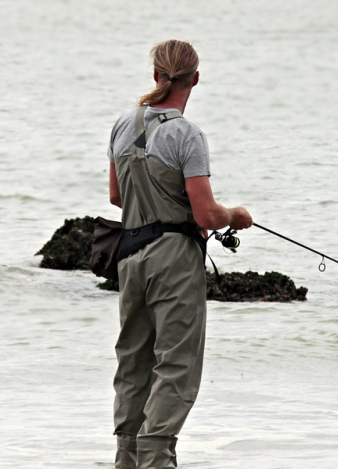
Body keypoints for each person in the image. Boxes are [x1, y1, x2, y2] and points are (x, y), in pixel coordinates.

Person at [107, 39, 253, 469]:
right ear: (195, 79)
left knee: (133, 361)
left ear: (156, 75)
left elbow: (117, 197)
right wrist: (237, 215)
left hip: (129, 256)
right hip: (173, 259)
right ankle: (156, 458)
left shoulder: (121, 125)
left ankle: (126, 459)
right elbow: (207, 214)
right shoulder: (186, 134)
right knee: (177, 364)